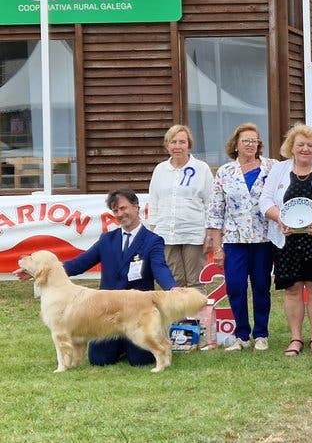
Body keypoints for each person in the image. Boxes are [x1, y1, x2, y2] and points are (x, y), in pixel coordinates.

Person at [14, 188, 177, 367]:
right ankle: (121, 345)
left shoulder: (152, 240)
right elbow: (79, 264)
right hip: (105, 312)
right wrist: (37, 272)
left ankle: (138, 344)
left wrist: (172, 288)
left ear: (136, 207)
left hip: (135, 309)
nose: (120, 214)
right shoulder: (107, 239)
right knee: (99, 360)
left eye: (123, 208)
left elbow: (160, 268)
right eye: (115, 210)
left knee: (139, 361)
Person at [260, 123, 312, 357]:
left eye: (310, 145)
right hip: (286, 240)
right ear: (291, 147)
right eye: (300, 145)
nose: (305, 149)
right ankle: (295, 338)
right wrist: (279, 219)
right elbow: (265, 200)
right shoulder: (279, 170)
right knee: (292, 288)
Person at [206, 123, 276, 351]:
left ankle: (261, 334)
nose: (250, 144)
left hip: (263, 239)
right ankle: (242, 335)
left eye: (254, 140)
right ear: (236, 144)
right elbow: (215, 212)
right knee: (235, 286)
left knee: (261, 286)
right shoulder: (225, 172)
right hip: (234, 240)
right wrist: (217, 248)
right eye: (245, 140)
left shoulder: (272, 167)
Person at [147, 124, 213, 289]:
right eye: (173, 142)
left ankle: (197, 308)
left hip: (194, 234)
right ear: (167, 145)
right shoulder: (160, 170)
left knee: (195, 282)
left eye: (182, 142)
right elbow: (154, 202)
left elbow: (211, 204)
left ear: (189, 144)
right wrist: (154, 231)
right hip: (166, 235)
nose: (177, 146)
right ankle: (178, 308)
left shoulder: (202, 169)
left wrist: (210, 234)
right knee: (174, 282)